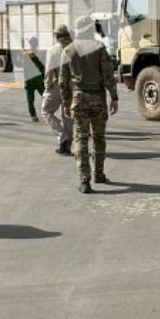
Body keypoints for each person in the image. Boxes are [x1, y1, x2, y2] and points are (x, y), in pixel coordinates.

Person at [61, 16, 117, 193]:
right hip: (98, 98)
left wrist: (65, 102)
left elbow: (63, 81)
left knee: (80, 138)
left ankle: (84, 180)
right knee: (99, 137)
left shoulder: (68, 50)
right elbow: (108, 74)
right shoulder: (99, 47)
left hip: (79, 98)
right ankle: (98, 174)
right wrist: (113, 97)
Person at [43, 27, 73, 154]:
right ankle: (66, 143)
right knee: (67, 115)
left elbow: (49, 70)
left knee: (46, 111)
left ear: (57, 36)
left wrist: (47, 85)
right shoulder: (76, 48)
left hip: (57, 85)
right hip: (73, 85)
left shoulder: (53, 50)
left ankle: (62, 137)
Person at [22, 36, 44, 123]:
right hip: (38, 79)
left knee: (30, 99)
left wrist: (25, 81)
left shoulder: (26, 53)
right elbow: (42, 66)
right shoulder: (39, 53)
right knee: (45, 96)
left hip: (30, 79)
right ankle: (46, 113)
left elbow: (25, 69)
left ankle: (33, 115)